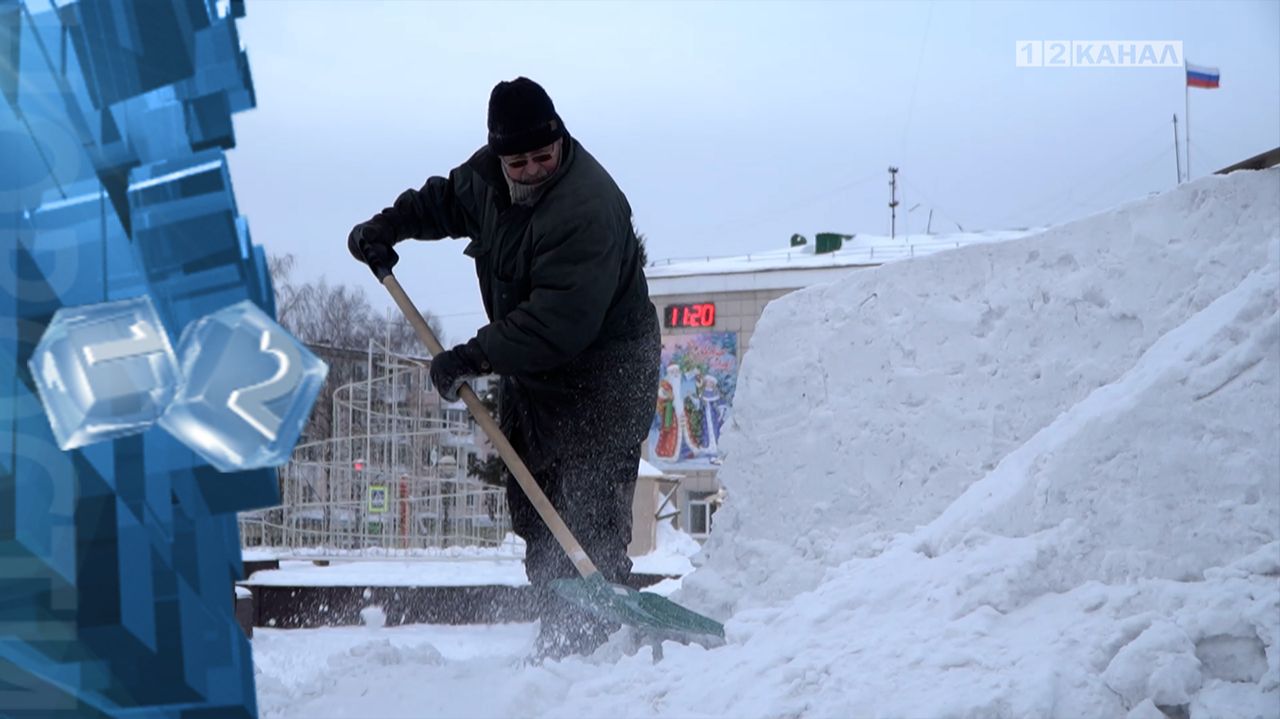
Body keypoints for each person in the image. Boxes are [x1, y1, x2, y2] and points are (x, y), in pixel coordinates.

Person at [346, 77, 660, 660]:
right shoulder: (488, 177)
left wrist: (474, 355)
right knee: (536, 501)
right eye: (520, 162)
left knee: (588, 508)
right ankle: (558, 628)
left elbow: (558, 323)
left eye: (546, 155)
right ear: (499, 156)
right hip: (537, 373)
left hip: (606, 370)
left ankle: (595, 646)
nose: (536, 169)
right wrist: (389, 227)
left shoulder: (586, 207)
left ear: (560, 139)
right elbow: (444, 201)